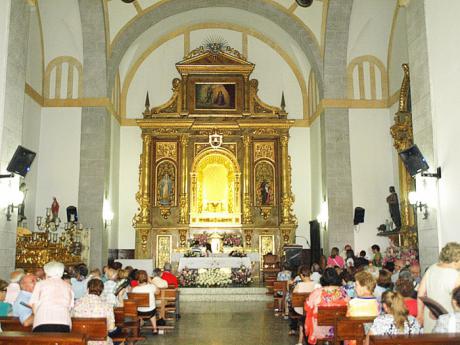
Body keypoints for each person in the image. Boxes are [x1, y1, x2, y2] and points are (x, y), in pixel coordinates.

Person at [417, 242, 460, 332]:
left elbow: (420, 293)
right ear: (456, 259)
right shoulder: (456, 275)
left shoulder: (431, 268)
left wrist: (420, 314)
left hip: (430, 314)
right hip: (448, 320)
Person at [304, 268, 349, 344]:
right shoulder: (343, 292)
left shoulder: (317, 292)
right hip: (338, 327)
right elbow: (349, 307)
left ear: (323, 279)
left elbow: (307, 306)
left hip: (320, 329)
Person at [29, 261, 74, 332]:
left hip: (42, 321)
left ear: (47, 272)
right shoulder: (68, 286)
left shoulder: (40, 284)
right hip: (64, 322)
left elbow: (34, 308)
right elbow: (70, 307)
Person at [72, 278, 118, 345]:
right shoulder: (107, 306)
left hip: (81, 341)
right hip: (101, 342)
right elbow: (111, 328)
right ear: (101, 291)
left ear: (87, 289)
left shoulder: (76, 303)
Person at [288, 266, 318, 344]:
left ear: (301, 275)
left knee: (303, 317)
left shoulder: (299, 285)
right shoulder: (316, 285)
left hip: (300, 309)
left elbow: (292, 297)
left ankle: (300, 341)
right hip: (313, 310)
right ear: (310, 274)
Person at [132, 270, 159, 334]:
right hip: (151, 311)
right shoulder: (151, 287)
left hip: (139, 312)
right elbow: (158, 292)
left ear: (137, 279)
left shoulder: (134, 289)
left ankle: (140, 325)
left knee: (141, 310)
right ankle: (155, 329)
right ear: (147, 278)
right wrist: (151, 282)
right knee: (153, 313)